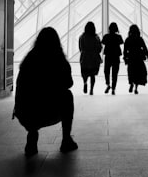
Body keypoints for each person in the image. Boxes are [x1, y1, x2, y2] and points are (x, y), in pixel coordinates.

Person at [13, 27, 78, 156]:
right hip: (49, 110)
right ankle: (66, 139)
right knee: (67, 96)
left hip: (26, 112)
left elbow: (21, 87)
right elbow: (69, 83)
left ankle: (32, 134)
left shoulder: (29, 59)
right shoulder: (59, 59)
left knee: (33, 101)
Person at [124, 24, 148, 94]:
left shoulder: (128, 39)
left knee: (131, 72)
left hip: (131, 57)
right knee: (138, 73)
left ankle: (131, 84)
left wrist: (125, 58)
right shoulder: (140, 39)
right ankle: (136, 88)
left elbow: (125, 50)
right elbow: (144, 47)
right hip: (139, 57)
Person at [78, 21, 102, 95]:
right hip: (94, 58)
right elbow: (99, 48)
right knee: (92, 75)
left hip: (85, 57)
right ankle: (91, 90)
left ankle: (85, 82)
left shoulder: (82, 37)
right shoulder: (96, 37)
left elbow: (80, 47)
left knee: (84, 73)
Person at [101, 22, 124, 94]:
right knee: (115, 73)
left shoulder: (106, 36)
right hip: (116, 56)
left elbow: (103, 42)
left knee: (106, 71)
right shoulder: (119, 37)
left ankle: (108, 84)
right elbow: (121, 42)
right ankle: (113, 88)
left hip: (108, 56)